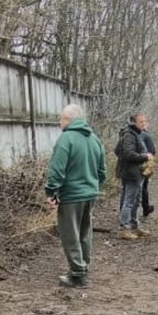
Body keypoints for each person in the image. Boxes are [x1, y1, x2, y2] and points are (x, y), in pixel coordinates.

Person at [45, 104, 106, 288]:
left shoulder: (66, 139)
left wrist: (51, 191)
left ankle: (77, 274)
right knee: (85, 232)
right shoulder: (94, 139)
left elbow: (57, 170)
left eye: (61, 118)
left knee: (70, 234)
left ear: (69, 120)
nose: (59, 122)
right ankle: (83, 266)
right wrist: (93, 186)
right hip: (90, 194)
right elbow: (102, 171)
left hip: (72, 195)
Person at [115, 114, 154, 239]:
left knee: (137, 200)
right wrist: (145, 156)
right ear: (133, 122)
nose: (143, 123)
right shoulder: (129, 135)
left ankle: (134, 226)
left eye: (145, 121)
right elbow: (127, 153)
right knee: (129, 201)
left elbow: (117, 150)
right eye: (140, 121)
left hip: (136, 173)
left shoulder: (135, 134)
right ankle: (124, 228)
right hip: (131, 174)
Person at [140, 125, 157, 217]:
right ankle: (146, 209)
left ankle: (123, 212)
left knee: (127, 190)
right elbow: (152, 151)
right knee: (143, 188)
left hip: (126, 168)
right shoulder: (146, 135)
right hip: (143, 166)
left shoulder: (125, 134)